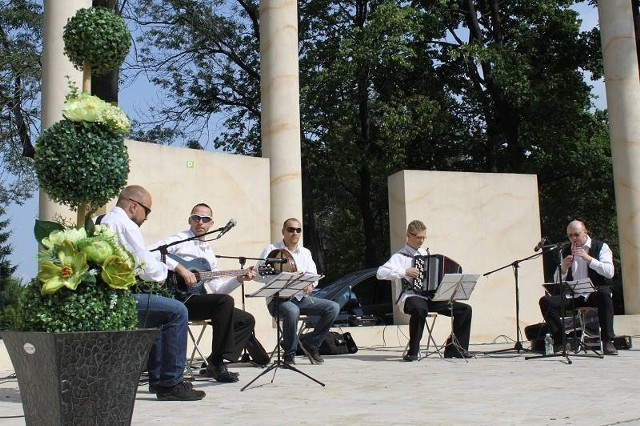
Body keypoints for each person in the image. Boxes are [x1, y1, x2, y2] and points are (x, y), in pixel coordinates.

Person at [98, 185, 206, 401]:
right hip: (118, 299)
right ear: (133, 206)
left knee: (159, 314)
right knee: (177, 310)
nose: (146, 217)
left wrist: (174, 266)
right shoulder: (126, 225)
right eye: (147, 211)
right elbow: (149, 270)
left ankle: (160, 380)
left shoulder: (100, 221)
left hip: (101, 297)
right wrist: (164, 273)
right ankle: (171, 383)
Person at [150, 203, 268, 377]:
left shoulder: (209, 255)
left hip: (197, 300)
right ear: (189, 220)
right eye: (196, 218)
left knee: (246, 320)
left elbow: (219, 289)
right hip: (178, 299)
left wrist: (239, 279)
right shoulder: (179, 240)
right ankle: (217, 365)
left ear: (211, 224)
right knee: (224, 302)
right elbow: (151, 252)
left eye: (205, 219)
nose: (200, 222)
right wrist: (181, 269)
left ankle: (215, 360)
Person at [377, 220, 473, 360]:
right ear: (408, 235)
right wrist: (405, 271)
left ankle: (455, 349)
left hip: (429, 298)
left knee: (464, 309)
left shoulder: (426, 254)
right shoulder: (400, 257)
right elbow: (380, 273)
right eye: (418, 237)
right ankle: (413, 351)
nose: (421, 241)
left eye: (423, 238)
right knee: (419, 308)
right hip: (409, 297)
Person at [255, 218, 339, 365]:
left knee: (333, 307)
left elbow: (314, 276)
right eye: (291, 229)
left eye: (298, 230)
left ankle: (312, 345)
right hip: (277, 301)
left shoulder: (305, 253)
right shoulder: (271, 250)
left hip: (300, 298)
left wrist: (310, 284)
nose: (295, 233)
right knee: (292, 311)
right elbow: (257, 275)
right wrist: (275, 279)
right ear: (283, 232)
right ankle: (289, 353)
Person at [539, 219, 618, 355]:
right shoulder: (564, 250)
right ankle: (561, 342)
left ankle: (607, 341)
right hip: (574, 295)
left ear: (585, 232)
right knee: (546, 301)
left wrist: (588, 259)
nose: (573, 239)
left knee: (604, 293)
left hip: (594, 294)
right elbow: (557, 281)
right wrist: (563, 268)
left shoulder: (600, 246)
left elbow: (609, 272)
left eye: (576, 234)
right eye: (570, 236)